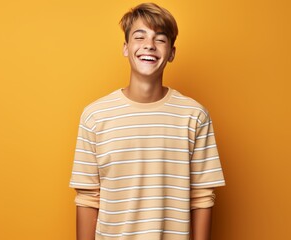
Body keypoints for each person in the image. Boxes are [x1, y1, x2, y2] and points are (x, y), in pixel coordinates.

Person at [69, 3, 225, 240]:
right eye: (139, 36)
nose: (149, 45)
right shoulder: (94, 116)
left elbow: (202, 196)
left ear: (172, 52)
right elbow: (88, 198)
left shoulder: (194, 116)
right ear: (126, 47)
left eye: (160, 39)